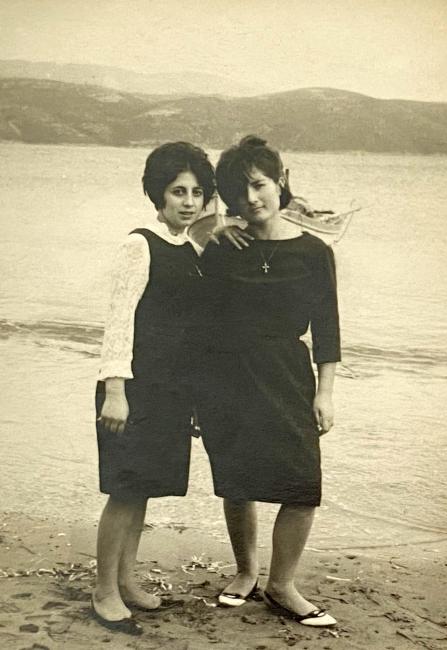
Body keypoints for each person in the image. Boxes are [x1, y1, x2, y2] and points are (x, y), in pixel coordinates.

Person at [198, 136, 341, 627]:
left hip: (287, 373)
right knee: (237, 481)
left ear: (280, 181)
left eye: (258, 185)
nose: (251, 199)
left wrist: (324, 392)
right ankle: (245, 573)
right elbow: (200, 318)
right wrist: (214, 231)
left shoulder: (315, 251)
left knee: (302, 485)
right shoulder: (223, 248)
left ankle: (282, 585)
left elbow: (327, 328)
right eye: (238, 192)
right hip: (226, 373)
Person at [92, 142, 217, 635]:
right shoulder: (139, 243)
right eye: (177, 191)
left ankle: (126, 579)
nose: (188, 201)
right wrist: (115, 388)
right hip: (134, 388)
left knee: (143, 490)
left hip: (171, 389)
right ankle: (103, 590)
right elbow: (119, 320)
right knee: (124, 490)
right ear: (157, 194)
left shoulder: (191, 248)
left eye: (196, 193)